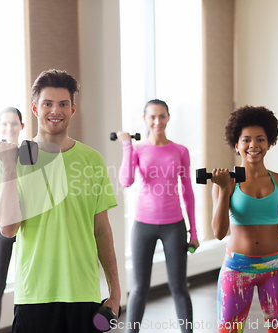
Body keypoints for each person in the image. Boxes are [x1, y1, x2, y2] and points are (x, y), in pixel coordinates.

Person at [0, 69, 121, 333]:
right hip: (34, 295)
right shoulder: (13, 160)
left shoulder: (92, 160)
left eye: (63, 103)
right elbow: (8, 229)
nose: (56, 110)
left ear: (73, 109)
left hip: (83, 293)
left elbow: (102, 230)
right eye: (47, 103)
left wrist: (115, 293)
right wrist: (8, 168)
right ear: (34, 108)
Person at [211, 106, 278, 332]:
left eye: (260, 139)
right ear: (236, 145)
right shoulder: (225, 183)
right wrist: (224, 190)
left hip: (276, 268)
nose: (253, 145)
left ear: (269, 143)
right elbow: (219, 232)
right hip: (237, 268)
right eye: (246, 140)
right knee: (229, 330)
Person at [118, 99, 198, 333]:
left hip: (174, 225)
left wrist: (193, 232)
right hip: (143, 226)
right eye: (152, 117)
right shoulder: (137, 150)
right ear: (145, 119)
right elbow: (126, 181)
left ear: (168, 118)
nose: (157, 122)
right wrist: (126, 147)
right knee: (140, 288)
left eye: (162, 116)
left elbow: (188, 192)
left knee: (179, 287)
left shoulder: (180, 151)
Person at [0, 107, 24, 333]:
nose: (9, 128)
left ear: (22, 126)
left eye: (14, 123)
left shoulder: (29, 152)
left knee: (24, 286)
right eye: (5, 124)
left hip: (25, 228)